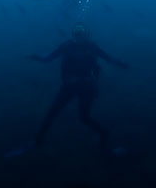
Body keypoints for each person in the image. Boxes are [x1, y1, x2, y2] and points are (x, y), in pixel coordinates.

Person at [27, 22, 129, 153]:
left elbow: (109, 58)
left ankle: (104, 135)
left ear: (86, 35)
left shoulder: (92, 47)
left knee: (84, 117)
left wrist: (122, 64)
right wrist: (37, 58)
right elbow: (48, 58)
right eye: (77, 34)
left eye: (81, 34)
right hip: (69, 86)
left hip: (87, 87)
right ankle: (37, 140)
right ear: (73, 35)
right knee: (52, 113)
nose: (79, 36)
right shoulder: (67, 46)